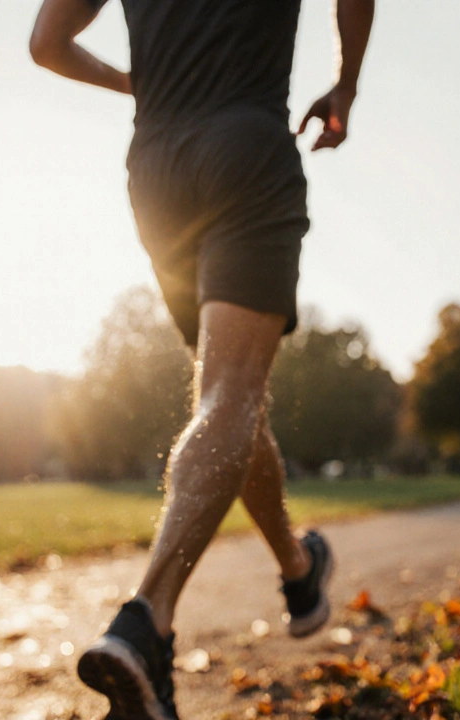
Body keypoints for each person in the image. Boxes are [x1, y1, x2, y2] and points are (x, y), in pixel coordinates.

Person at [29, 0, 374, 717]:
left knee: (229, 395)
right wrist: (345, 88)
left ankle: (299, 571)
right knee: (229, 396)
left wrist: (142, 83)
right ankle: (146, 619)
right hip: (244, 148)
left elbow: (46, 44)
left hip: (157, 171)